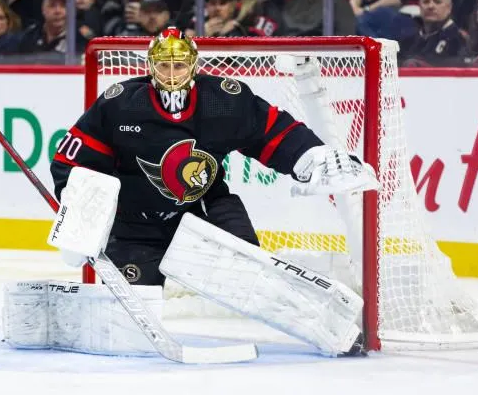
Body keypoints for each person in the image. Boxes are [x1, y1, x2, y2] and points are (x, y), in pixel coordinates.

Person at [50, 27, 377, 287]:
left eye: (179, 65)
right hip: (135, 224)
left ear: (193, 65)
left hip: (204, 209)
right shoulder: (120, 104)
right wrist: (78, 218)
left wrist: (311, 156)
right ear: (151, 67)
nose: (172, 74)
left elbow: (271, 132)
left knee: (248, 274)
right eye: (164, 65)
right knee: (133, 304)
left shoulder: (223, 101)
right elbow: (72, 162)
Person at [399, 0, 465, 66]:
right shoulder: (408, 42)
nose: (430, 6)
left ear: (449, 7)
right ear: (419, 6)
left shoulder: (460, 40)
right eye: (426, 2)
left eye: (437, 2)